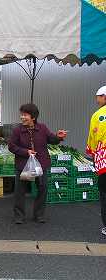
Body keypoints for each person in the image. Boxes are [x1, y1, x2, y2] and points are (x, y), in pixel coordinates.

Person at [8, 104, 67, 224]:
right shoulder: (17, 130)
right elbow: (11, 146)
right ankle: (19, 216)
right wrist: (26, 152)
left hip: (41, 164)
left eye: (25, 115)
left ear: (33, 117)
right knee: (20, 191)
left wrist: (58, 137)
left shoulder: (42, 128)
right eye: (22, 114)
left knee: (42, 188)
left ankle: (39, 215)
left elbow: (52, 139)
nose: (22, 117)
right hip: (23, 165)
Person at [86, 86, 106, 236]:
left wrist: (93, 153)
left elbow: (92, 139)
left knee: (105, 193)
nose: (96, 99)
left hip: (104, 158)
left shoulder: (98, 115)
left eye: (98, 96)